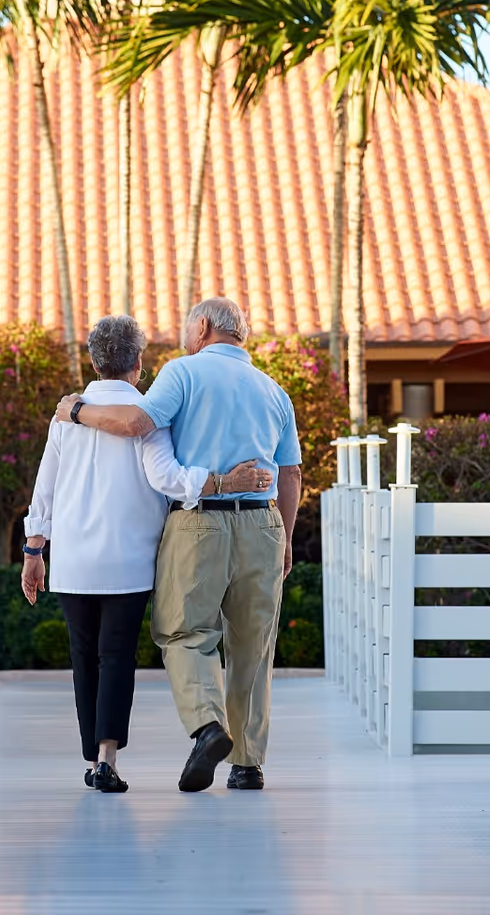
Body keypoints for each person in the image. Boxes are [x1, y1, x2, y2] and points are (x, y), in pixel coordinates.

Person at [56, 297, 302, 794]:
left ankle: (209, 726)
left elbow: (135, 426)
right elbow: (292, 472)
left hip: (200, 524)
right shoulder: (274, 390)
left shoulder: (182, 373)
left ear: (205, 327)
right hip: (265, 523)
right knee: (254, 645)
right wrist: (287, 539)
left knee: (184, 632)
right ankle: (248, 764)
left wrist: (77, 410)